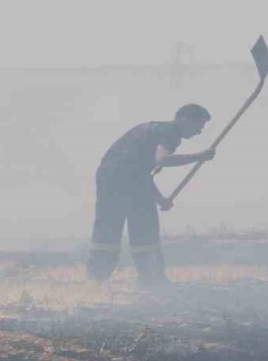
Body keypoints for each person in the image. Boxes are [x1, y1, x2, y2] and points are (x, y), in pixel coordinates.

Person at [86, 104, 215, 286]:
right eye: (198, 127)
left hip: (111, 178)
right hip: (122, 180)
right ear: (184, 119)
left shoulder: (152, 130)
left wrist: (159, 198)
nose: (199, 132)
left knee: (108, 231)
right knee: (144, 231)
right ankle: (152, 280)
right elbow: (161, 160)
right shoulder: (169, 132)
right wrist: (198, 156)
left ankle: (95, 280)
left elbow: (138, 172)